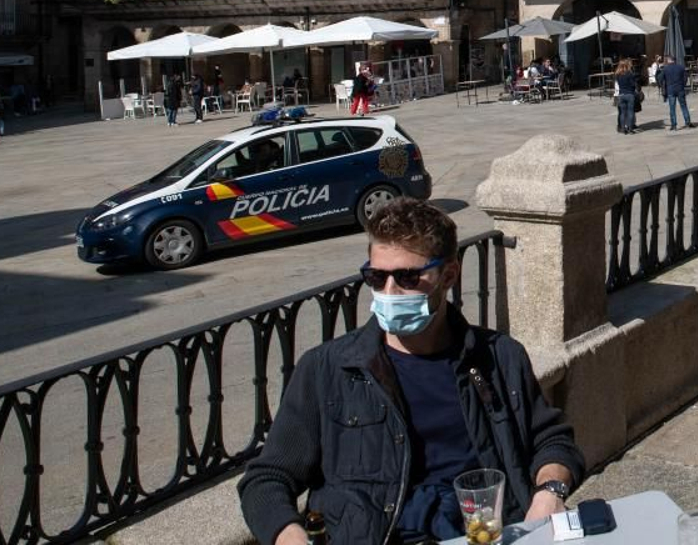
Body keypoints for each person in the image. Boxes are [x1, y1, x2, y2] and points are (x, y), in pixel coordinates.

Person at [238, 200, 582, 545]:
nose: (389, 292)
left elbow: (553, 441)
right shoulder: (327, 369)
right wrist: (290, 536)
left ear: (448, 275)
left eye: (407, 277)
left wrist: (549, 491)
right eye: (376, 277)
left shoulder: (500, 358)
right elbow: (266, 479)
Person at [656, 54, 694, 131]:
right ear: (674, 60)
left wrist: (663, 85)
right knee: (684, 106)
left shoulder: (666, 69)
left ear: (669, 60)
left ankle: (674, 125)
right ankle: (688, 122)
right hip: (680, 89)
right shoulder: (681, 67)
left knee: (672, 108)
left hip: (671, 90)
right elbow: (685, 78)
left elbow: (659, 78)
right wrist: (682, 85)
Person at [612, 58, 640, 134]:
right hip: (629, 94)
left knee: (622, 113)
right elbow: (633, 84)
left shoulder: (617, 75)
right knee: (630, 112)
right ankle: (630, 129)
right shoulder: (629, 74)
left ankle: (623, 128)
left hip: (621, 95)